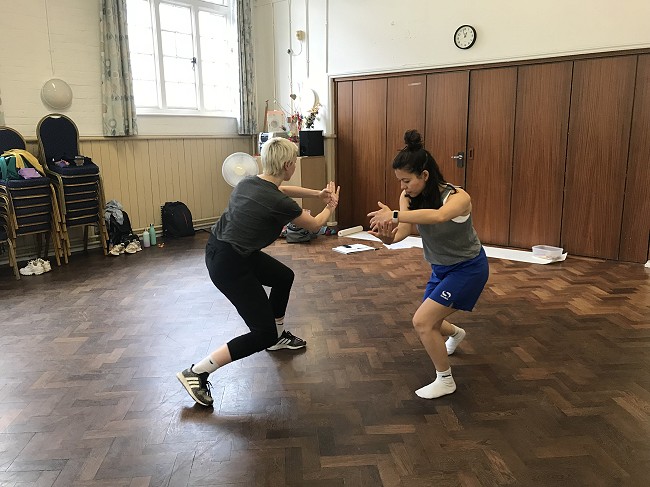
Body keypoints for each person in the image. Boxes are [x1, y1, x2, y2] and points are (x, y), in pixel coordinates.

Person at [177, 137, 340, 407]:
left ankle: (277, 338)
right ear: (289, 164)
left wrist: (317, 194)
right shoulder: (280, 202)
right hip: (230, 264)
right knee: (260, 333)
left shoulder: (249, 182)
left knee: (283, 276)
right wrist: (331, 206)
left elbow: (280, 189)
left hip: (223, 250)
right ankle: (196, 372)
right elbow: (314, 225)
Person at [368, 129, 488, 399]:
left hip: (468, 268)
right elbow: (403, 233)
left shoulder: (458, 197)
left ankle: (445, 381)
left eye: (406, 181)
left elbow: (438, 217)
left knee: (422, 322)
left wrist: (396, 215)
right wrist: (387, 237)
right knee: (432, 321)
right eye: (399, 181)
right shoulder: (408, 198)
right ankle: (456, 334)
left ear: (424, 175)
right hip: (441, 268)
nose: (402, 187)